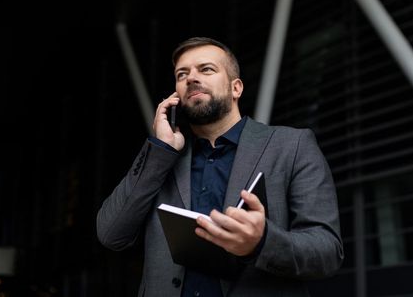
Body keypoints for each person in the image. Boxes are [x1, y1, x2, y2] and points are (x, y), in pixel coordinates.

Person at [97, 37, 344, 296]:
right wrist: (160, 150)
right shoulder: (164, 158)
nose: (191, 78)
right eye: (182, 74)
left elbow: (327, 251)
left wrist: (261, 243)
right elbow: (111, 234)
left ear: (236, 88)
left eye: (206, 69)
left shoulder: (292, 145)